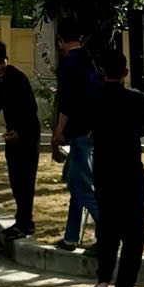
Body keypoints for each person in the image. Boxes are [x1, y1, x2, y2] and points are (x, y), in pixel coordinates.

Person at [87, 43, 144, 287]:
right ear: (125, 72)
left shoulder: (94, 98)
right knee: (134, 234)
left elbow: (88, 127)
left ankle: (102, 279)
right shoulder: (136, 100)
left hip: (104, 171)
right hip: (131, 171)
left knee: (107, 227)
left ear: (102, 72)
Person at [0, 39, 42, 237]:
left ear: (7, 59)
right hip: (12, 135)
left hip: (28, 134)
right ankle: (22, 222)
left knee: (26, 181)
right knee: (16, 181)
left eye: (2, 62)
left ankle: (26, 224)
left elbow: (31, 109)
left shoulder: (18, 78)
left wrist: (20, 132)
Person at [50, 16, 99, 251]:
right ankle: (71, 237)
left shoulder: (68, 63)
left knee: (83, 187)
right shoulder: (89, 60)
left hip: (79, 130)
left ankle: (110, 235)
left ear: (60, 39)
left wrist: (59, 130)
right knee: (76, 183)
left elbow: (67, 102)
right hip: (93, 128)